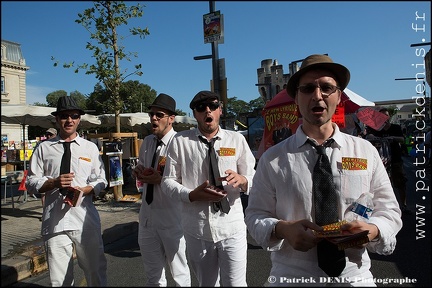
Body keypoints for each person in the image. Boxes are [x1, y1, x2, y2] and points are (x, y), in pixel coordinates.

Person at [244, 54, 402, 286]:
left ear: (339, 96)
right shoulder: (272, 158)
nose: (317, 96)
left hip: (354, 276)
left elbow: (389, 210)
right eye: (308, 88)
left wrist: (373, 230)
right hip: (292, 277)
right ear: (296, 98)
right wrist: (282, 228)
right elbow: (255, 216)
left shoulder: (365, 151)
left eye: (327, 87)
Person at [161, 90, 256, 286]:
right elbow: (167, 181)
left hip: (232, 227)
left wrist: (243, 179)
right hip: (198, 229)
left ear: (220, 110)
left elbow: (255, 177)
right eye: (200, 108)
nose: (207, 111)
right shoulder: (180, 141)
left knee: (236, 284)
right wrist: (191, 195)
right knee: (207, 284)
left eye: (212, 106)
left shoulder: (236, 140)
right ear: (194, 114)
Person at [26, 96, 108, 286]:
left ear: (79, 119)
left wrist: (87, 189)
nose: (69, 120)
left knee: (95, 271)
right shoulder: (43, 148)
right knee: (59, 279)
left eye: (73, 116)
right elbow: (31, 182)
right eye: (64, 116)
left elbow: (101, 180)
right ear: (57, 119)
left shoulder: (90, 148)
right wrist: (53, 182)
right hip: (55, 221)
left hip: (84, 219)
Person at [132, 93, 191, 286]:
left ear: (171, 119)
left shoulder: (181, 143)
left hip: (172, 218)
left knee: (179, 273)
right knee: (153, 276)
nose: (153, 118)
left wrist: (162, 180)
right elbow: (141, 165)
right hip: (147, 217)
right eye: (151, 114)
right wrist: (138, 171)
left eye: (159, 114)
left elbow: (187, 181)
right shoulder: (148, 142)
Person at [366, 107, 411, 214]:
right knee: (381, 185)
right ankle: (385, 208)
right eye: (381, 116)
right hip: (380, 162)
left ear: (389, 117)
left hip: (395, 159)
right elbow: (368, 137)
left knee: (400, 182)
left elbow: (402, 139)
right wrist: (371, 136)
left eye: (386, 116)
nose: (384, 118)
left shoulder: (395, 127)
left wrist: (392, 138)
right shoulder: (375, 129)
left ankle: (403, 205)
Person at [30, 128, 58, 211]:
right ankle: (44, 210)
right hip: (43, 172)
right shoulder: (41, 145)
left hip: (53, 173)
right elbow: (34, 157)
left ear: (55, 135)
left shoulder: (59, 145)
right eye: (47, 134)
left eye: (51, 134)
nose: (48, 136)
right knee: (43, 193)